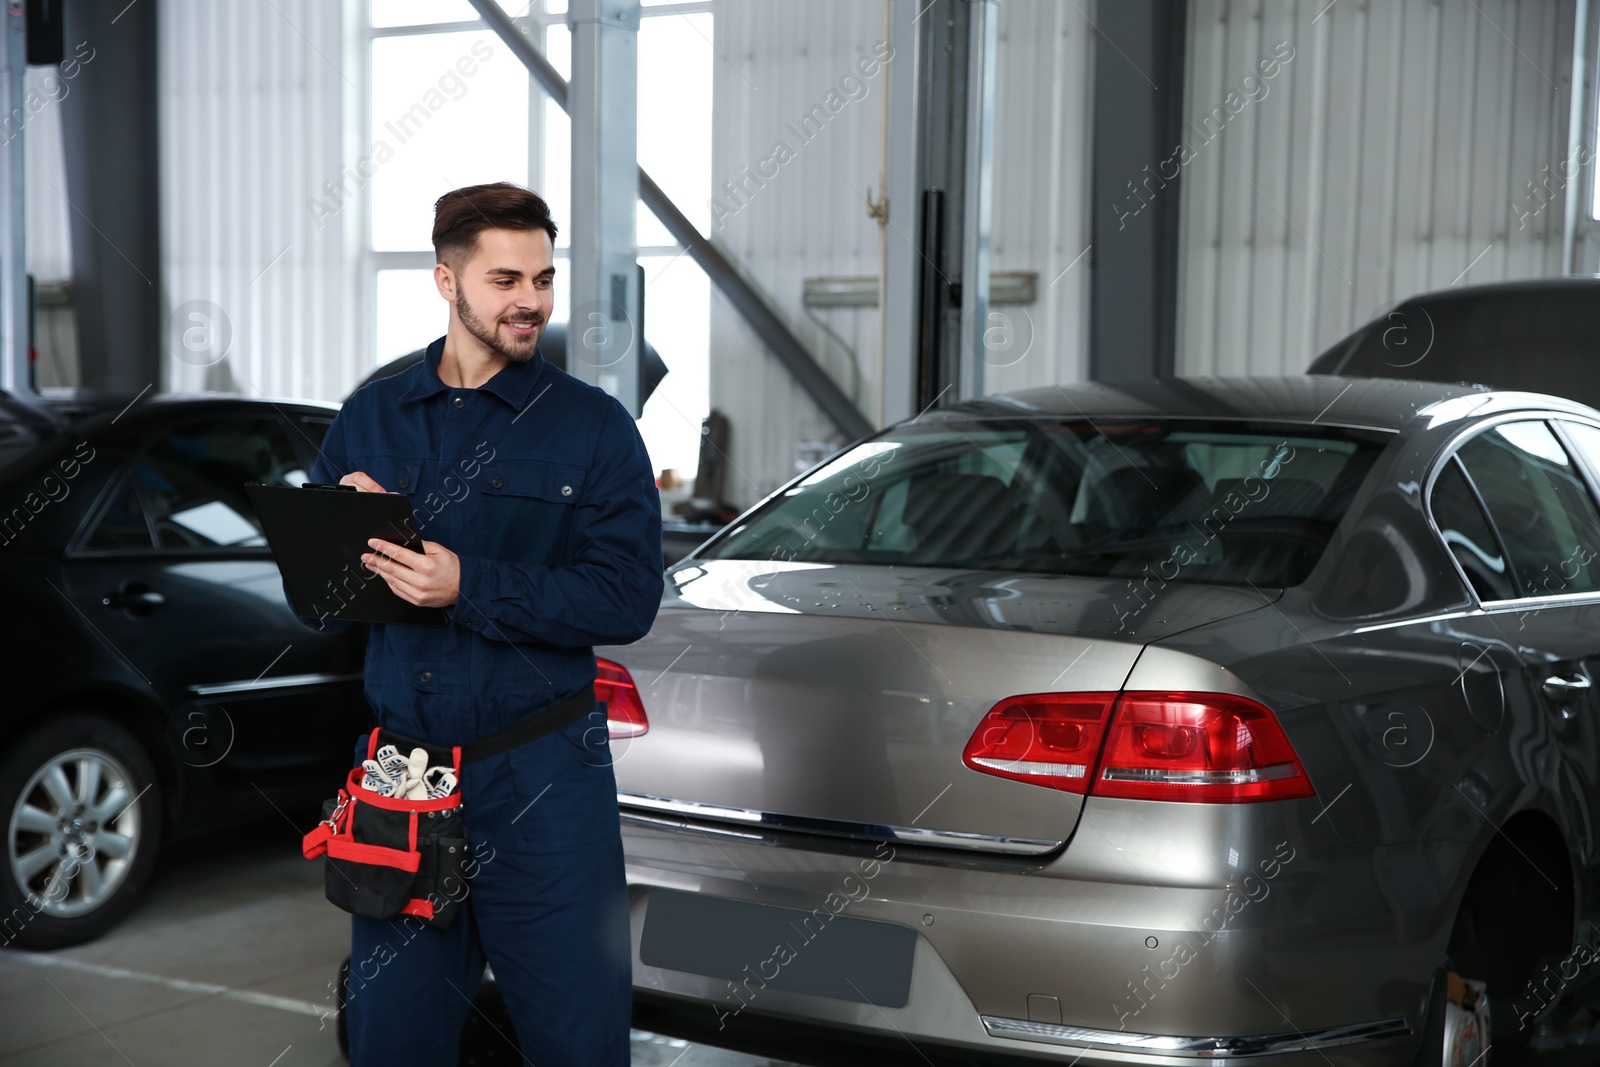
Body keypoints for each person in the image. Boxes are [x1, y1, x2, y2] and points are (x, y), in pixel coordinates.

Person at [289, 182, 664, 1065]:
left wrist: (468, 585)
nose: (530, 299)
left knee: (578, 1043)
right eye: (505, 279)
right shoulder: (370, 417)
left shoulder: (594, 429)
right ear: (446, 282)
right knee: (392, 1042)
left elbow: (626, 599)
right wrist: (348, 538)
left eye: (541, 277)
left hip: (543, 783)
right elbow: (314, 603)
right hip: (399, 776)